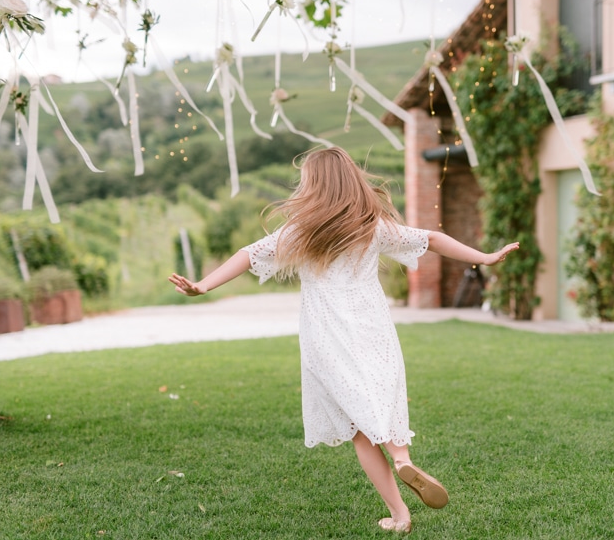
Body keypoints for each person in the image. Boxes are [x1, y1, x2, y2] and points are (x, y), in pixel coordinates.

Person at [168, 147, 520, 534]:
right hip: (372, 325)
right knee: (381, 394)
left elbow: (249, 255)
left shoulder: (302, 229)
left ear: (313, 186)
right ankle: (401, 457)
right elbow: (431, 238)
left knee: (357, 427)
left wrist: (203, 285)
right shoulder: (371, 226)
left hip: (325, 332)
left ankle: (400, 515)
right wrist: (484, 258)